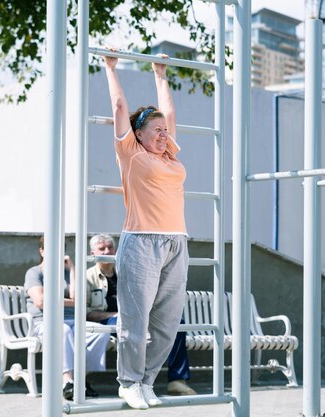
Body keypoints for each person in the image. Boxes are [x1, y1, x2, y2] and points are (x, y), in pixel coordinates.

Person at [103, 50, 190, 410]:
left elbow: (168, 114)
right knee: (135, 323)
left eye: (164, 131)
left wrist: (160, 74)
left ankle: (147, 381)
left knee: (168, 324)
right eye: (155, 131)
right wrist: (111, 67)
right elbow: (120, 106)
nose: (163, 134)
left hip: (176, 243)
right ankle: (129, 382)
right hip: (140, 242)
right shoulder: (131, 153)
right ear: (137, 134)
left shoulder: (168, 154)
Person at [85, 234, 197, 397]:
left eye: (110, 247)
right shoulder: (88, 277)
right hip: (109, 321)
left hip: (138, 315)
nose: (107, 251)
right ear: (93, 253)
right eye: (102, 249)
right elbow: (86, 312)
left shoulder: (127, 270)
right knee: (131, 326)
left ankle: (177, 381)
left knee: (176, 324)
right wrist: (117, 314)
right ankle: (135, 382)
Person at [24, 236, 111, 401]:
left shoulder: (66, 272)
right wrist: (69, 302)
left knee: (100, 332)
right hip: (43, 323)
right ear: (42, 251)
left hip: (73, 322)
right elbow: (41, 302)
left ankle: (79, 380)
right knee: (62, 330)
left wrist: (72, 269)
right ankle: (67, 381)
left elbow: (79, 300)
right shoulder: (34, 273)